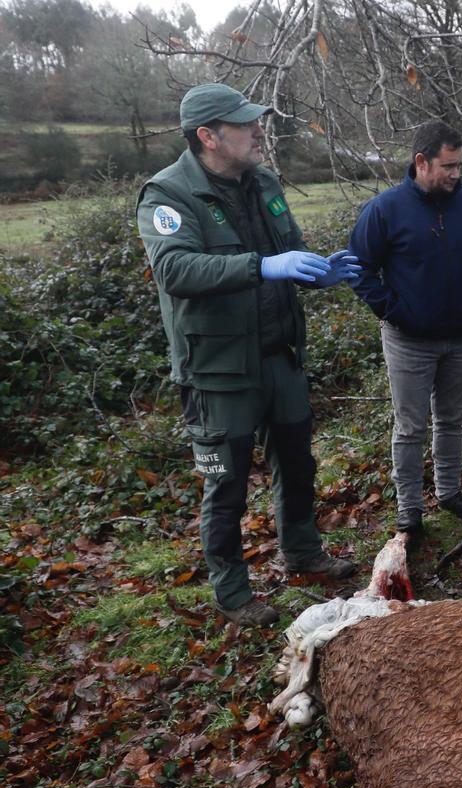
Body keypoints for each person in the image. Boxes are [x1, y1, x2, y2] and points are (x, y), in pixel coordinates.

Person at [137, 83, 362, 626]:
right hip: (218, 371)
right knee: (227, 482)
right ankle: (232, 592)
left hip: (277, 353)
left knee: (298, 462)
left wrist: (315, 273)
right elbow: (175, 270)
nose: (258, 129)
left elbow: (288, 250)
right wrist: (262, 266)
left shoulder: (262, 181)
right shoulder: (168, 195)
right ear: (208, 136)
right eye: (244, 124)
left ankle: (302, 552)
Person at [349, 120, 462, 535]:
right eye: (448, 166)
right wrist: (393, 310)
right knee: (410, 427)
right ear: (421, 161)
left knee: (451, 419)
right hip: (408, 341)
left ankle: (450, 492)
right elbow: (358, 268)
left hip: (461, 337)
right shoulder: (384, 210)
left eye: (460, 166)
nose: (456, 174)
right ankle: (410, 510)